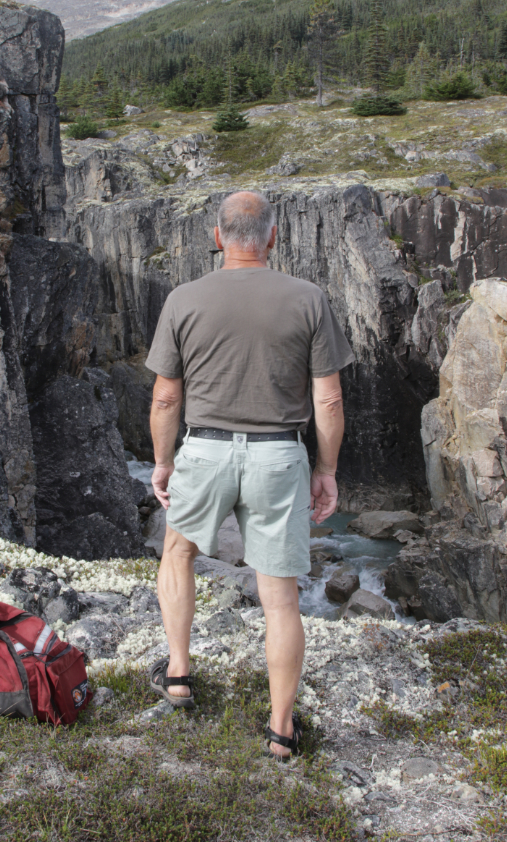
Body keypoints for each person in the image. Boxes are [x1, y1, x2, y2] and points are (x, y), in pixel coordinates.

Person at [145, 190, 354, 759]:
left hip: (205, 451)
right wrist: (326, 469)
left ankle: (180, 673)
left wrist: (163, 462)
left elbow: (166, 398)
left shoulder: (184, 299)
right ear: (272, 237)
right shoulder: (308, 299)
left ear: (217, 237)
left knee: (179, 553)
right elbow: (329, 401)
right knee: (280, 597)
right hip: (278, 454)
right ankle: (281, 730)